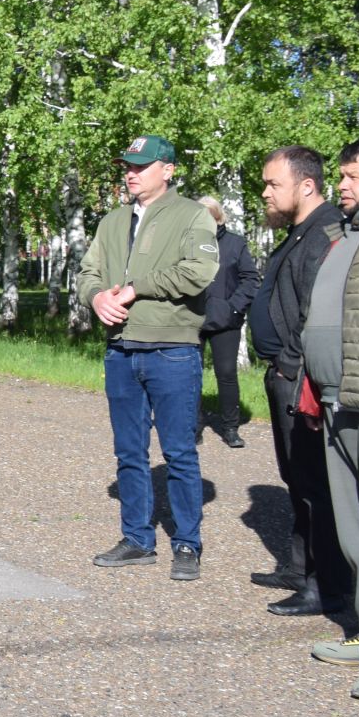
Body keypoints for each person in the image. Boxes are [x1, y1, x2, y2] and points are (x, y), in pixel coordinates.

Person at [80, 135, 220, 581]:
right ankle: (138, 539)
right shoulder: (111, 221)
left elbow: (198, 273)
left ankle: (186, 544)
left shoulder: (192, 215)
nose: (131, 172)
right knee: (129, 453)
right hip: (121, 350)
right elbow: (87, 273)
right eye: (127, 165)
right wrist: (97, 296)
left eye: (141, 165)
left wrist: (138, 285)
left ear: (168, 169)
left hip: (172, 350)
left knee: (179, 452)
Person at [249, 146, 349, 617]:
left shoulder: (325, 233)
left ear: (306, 185)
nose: (265, 192)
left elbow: (320, 313)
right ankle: (297, 566)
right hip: (284, 374)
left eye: (273, 184)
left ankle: (324, 587)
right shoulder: (298, 232)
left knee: (316, 486)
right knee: (297, 478)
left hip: (301, 378)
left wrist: (292, 367)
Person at [302, 136, 359, 693]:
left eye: (352, 175)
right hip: (337, 400)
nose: (342, 187)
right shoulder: (354, 235)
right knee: (355, 534)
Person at [197, 195, 261, 449]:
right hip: (192, 319)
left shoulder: (235, 244)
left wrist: (234, 308)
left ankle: (230, 427)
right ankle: (194, 426)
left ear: (217, 217)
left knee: (226, 374)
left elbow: (250, 279)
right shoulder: (187, 243)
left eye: (208, 216)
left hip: (226, 321)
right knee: (192, 376)